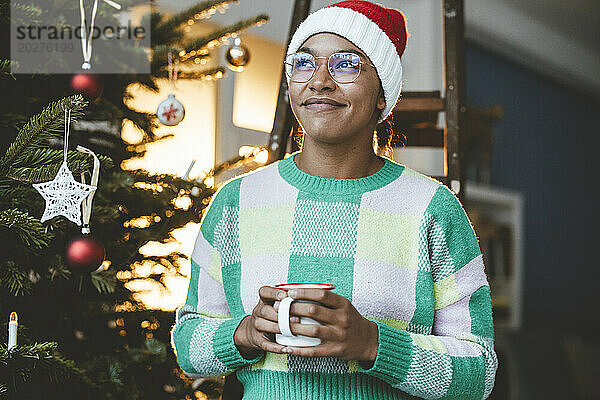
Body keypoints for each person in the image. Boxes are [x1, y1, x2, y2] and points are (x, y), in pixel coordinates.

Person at [171, 1, 498, 399]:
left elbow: (479, 374)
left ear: (382, 94)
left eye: (346, 64)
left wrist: (371, 343)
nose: (320, 81)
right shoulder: (235, 203)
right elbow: (189, 347)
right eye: (304, 63)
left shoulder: (433, 209)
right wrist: (245, 333)